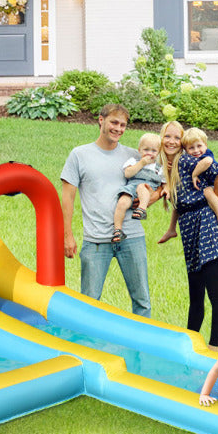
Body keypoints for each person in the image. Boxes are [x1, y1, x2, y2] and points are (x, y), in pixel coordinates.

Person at [60, 104, 151, 318]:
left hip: (132, 236)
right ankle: (88, 339)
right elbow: (67, 198)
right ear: (101, 120)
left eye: (123, 125)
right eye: (114, 122)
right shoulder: (79, 155)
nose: (118, 128)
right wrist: (67, 235)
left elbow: (151, 186)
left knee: (142, 300)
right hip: (96, 239)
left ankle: (141, 338)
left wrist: (145, 200)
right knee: (89, 302)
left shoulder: (133, 156)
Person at [157, 120, 218, 347]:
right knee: (196, 295)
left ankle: (213, 348)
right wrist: (171, 228)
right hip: (189, 229)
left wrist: (217, 200)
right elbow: (179, 204)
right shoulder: (170, 166)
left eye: (176, 137)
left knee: (215, 293)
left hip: (207, 226)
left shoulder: (188, 160)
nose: (171, 142)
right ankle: (189, 345)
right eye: (167, 137)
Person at [158, 126, 218, 244]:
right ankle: (171, 229)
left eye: (199, 146)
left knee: (207, 192)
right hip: (208, 192)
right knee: (178, 198)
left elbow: (208, 162)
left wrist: (194, 174)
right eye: (191, 148)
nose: (196, 150)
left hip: (217, 190)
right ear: (185, 149)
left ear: (205, 145)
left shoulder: (206, 155)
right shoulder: (188, 158)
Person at [112, 132, 166, 244]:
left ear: (158, 152)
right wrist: (141, 163)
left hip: (147, 188)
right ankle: (117, 230)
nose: (149, 153)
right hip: (131, 187)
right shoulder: (134, 161)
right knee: (122, 202)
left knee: (142, 187)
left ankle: (141, 209)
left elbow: (164, 183)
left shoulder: (159, 168)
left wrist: (164, 190)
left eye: (153, 151)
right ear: (139, 150)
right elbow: (128, 174)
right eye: (146, 150)